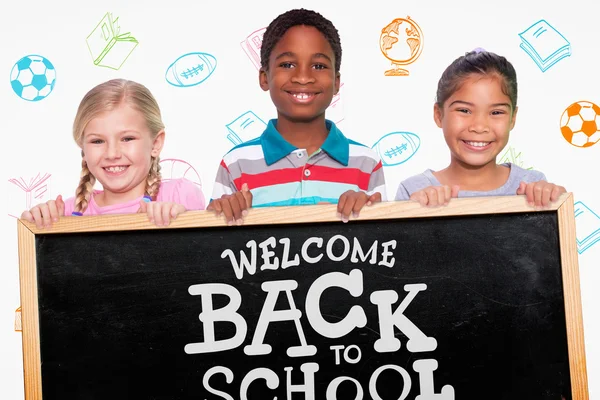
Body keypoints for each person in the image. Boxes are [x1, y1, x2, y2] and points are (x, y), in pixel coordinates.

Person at [208, 8, 386, 225]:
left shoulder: (367, 163)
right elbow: (215, 248)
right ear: (264, 78)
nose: (303, 77)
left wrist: (367, 213)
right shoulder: (236, 164)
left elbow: (381, 245)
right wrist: (220, 214)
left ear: (337, 82)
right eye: (287, 65)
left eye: (318, 66)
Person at [21, 79, 206, 228]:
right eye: (97, 141)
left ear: (155, 143)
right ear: (83, 149)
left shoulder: (179, 196)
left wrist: (183, 222)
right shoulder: (68, 213)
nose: (112, 153)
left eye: (127, 139)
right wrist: (38, 223)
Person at [395, 48, 566, 207]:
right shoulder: (413, 191)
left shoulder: (532, 187)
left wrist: (555, 203)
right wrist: (413, 214)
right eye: (464, 110)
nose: (479, 127)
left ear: (513, 118)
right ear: (439, 115)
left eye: (496, 112)